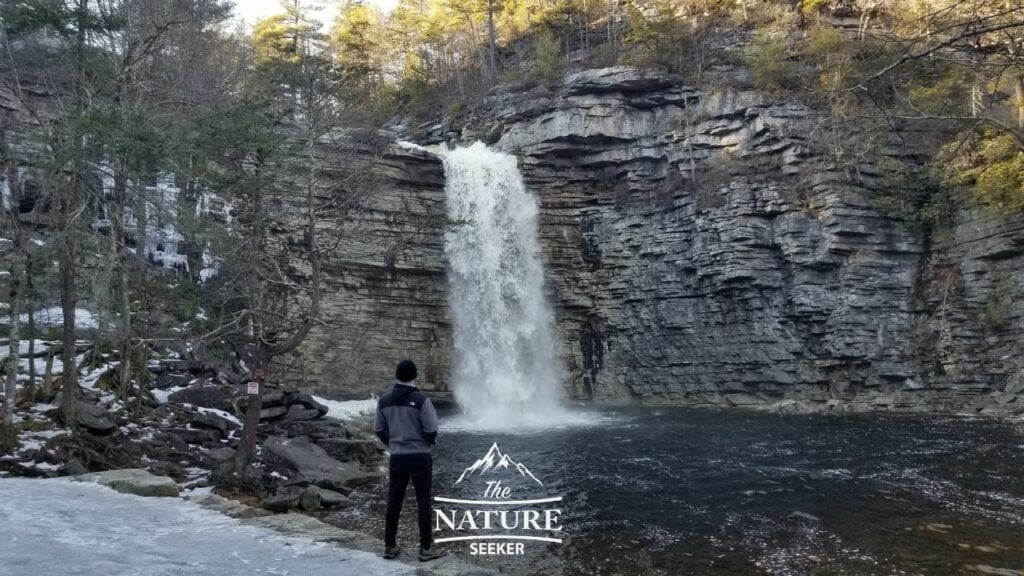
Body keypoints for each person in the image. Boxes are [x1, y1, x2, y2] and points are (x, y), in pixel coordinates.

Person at [373, 359, 447, 562]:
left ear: (397, 375)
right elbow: (431, 429)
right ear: (415, 376)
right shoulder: (422, 400)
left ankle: (389, 546)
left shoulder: (384, 401)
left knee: (394, 501)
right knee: (423, 501)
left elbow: (378, 429)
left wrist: (392, 443)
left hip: (397, 457)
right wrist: (427, 442)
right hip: (420, 456)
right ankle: (425, 548)